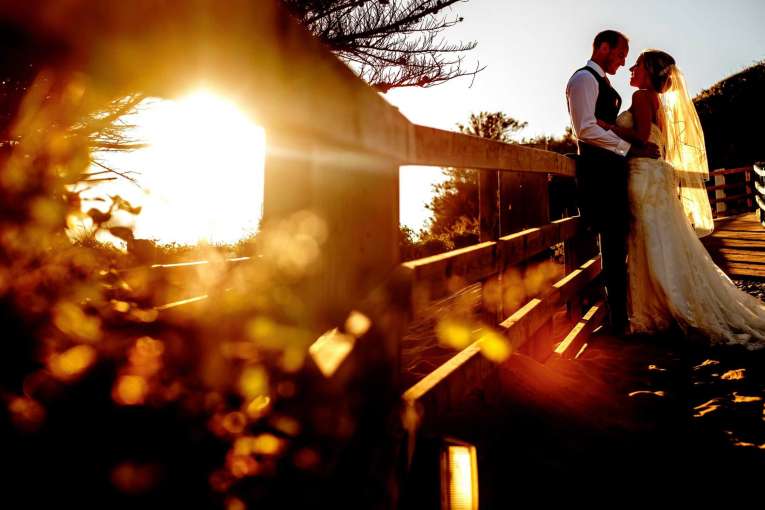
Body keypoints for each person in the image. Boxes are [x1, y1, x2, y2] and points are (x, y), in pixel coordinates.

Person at [597, 49, 765, 349]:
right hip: (652, 175)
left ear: (649, 70)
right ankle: (661, 307)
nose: (631, 69)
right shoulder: (656, 100)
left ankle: (659, 311)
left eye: (637, 65)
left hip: (643, 176)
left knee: (649, 241)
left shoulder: (641, 97)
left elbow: (642, 136)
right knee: (662, 241)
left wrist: (607, 127)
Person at [566, 30, 659, 334]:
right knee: (611, 244)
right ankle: (616, 320)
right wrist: (629, 148)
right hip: (598, 176)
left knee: (619, 244)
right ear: (603, 47)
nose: (623, 61)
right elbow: (585, 129)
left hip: (614, 173)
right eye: (620, 54)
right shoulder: (582, 80)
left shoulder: (603, 82)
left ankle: (619, 315)